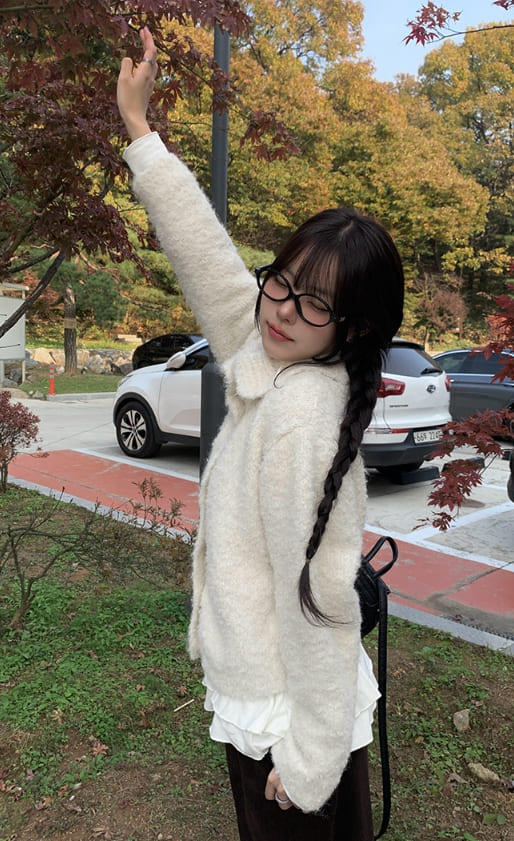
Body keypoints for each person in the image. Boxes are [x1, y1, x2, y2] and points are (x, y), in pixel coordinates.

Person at [117, 27, 404, 841]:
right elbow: (210, 260)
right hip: (269, 696)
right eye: (281, 282)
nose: (281, 309)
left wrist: (308, 759)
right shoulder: (276, 359)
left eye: (314, 303)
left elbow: (320, 598)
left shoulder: (302, 416)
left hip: (286, 719)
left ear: (352, 326)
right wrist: (141, 133)